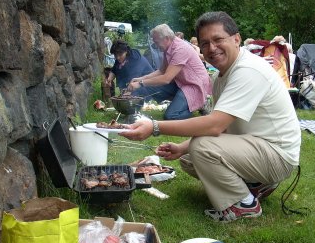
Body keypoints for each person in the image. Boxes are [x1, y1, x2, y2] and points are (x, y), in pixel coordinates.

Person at [121, 12, 301, 222]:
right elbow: (222, 126)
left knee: (201, 149)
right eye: (205, 43)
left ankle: (243, 204)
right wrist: (181, 148)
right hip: (257, 146)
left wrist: (154, 126)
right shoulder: (220, 76)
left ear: (236, 39)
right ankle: (256, 184)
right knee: (190, 159)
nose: (211, 48)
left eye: (218, 40)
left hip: (278, 155)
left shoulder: (248, 70)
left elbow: (214, 126)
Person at [127, 24, 211, 120]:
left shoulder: (180, 49)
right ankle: (185, 104)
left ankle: (200, 104)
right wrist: (140, 79)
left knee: (170, 116)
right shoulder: (168, 48)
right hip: (182, 83)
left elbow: (166, 79)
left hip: (194, 85)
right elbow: (161, 71)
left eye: (156, 42)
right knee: (149, 86)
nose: (155, 45)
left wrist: (141, 83)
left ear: (166, 38)